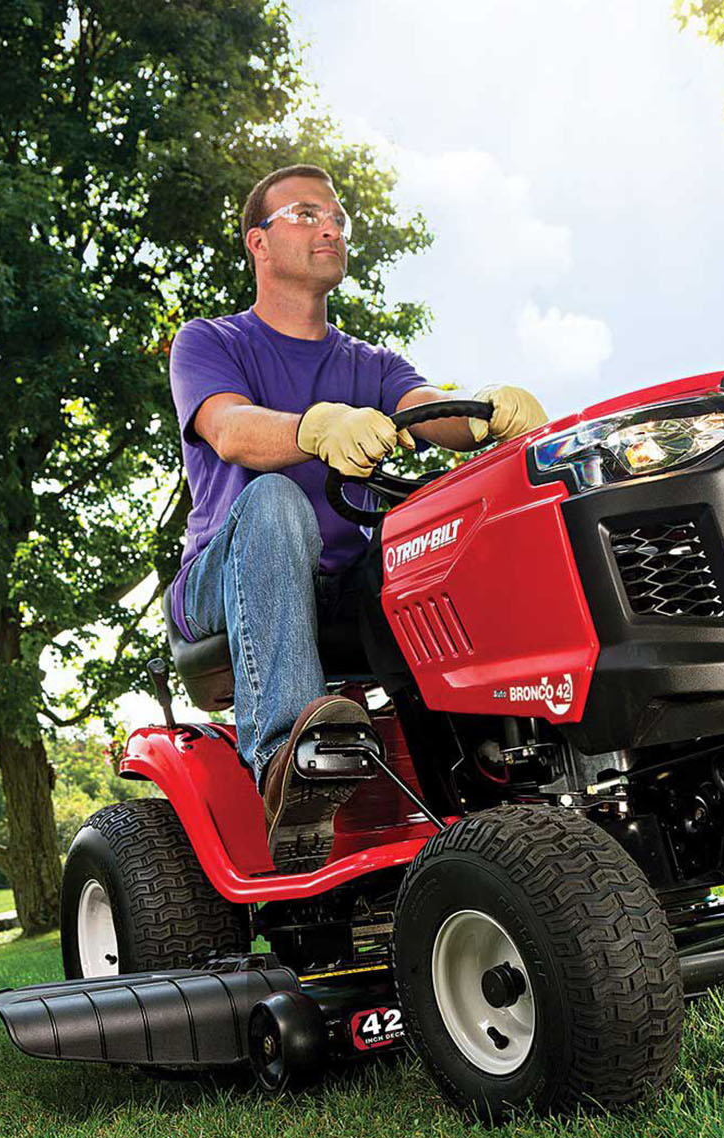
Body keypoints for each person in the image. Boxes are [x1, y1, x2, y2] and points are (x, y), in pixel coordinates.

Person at [167, 163, 548, 871]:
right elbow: (230, 430)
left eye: (338, 218)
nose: (331, 227)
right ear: (259, 241)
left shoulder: (370, 362)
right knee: (278, 500)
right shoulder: (209, 341)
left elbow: (431, 413)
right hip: (221, 585)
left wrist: (486, 410)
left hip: (342, 585)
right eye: (307, 214)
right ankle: (289, 764)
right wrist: (313, 428)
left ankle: (486, 786)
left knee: (429, 543)